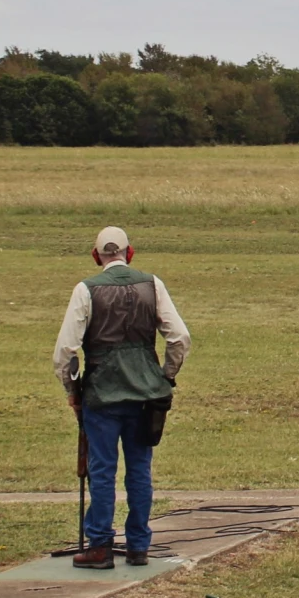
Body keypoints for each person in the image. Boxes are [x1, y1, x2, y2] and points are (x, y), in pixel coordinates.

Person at [54, 226, 191, 568]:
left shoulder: (85, 290)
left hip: (102, 395)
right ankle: (138, 545)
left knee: (102, 470)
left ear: (96, 255)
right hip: (146, 395)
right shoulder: (152, 284)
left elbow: (66, 351)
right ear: (130, 253)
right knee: (139, 470)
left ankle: (99, 545)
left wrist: (73, 391)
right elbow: (179, 338)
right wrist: (165, 376)